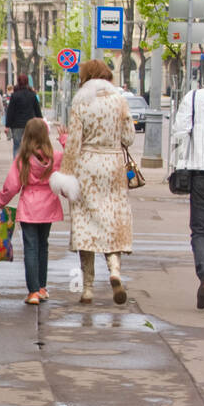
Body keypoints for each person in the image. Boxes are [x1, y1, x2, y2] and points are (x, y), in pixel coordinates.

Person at [60, 59, 134, 305]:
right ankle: (114, 271)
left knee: (86, 224)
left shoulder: (81, 100)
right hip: (113, 166)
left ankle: (88, 288)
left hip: (87, 166)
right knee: (112, 221)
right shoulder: (119, 100)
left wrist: (66, 176)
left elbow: (73, 143)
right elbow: (129, 137)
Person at [0, 117, 69, 304]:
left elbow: (11, 187)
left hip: (29, 207)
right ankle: (42, 287)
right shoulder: (56, 157)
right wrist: (65, 140)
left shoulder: (23, 158)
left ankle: (33, 291)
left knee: (31, 248)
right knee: (43, 246)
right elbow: (74, 161)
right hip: (49, 205)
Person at [171, 84, 204, 308]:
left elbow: (180, 132)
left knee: (201, 231)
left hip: (202, 173)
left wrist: (179, 165)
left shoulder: (194, 97)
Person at [5, 74, 42, 155]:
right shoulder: (32, 95)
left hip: (16, 125)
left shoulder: (15, 95)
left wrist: (7, 125)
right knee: (30, 145)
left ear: (18, 82)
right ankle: (28, 164)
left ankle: (17, 165)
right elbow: (37, 110)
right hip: (30, 124)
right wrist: (41, 121)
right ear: (27, 82)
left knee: (17, 146)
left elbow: (10, 111)